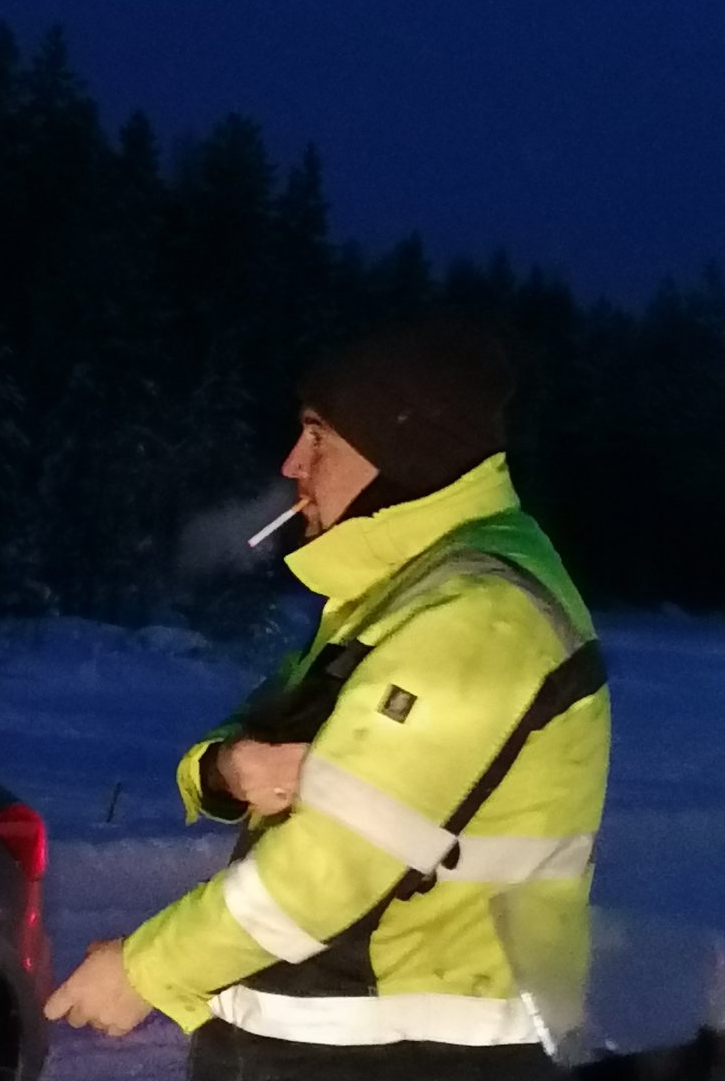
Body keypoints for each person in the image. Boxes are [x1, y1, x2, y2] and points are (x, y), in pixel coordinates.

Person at [45, 319, 612, 1080]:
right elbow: (265, 725)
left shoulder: (476, 618)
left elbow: (331, 867)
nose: (292, 464)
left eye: (318, 437)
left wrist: (142, 972)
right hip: (332, 1049)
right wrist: (228, 769)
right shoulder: (397, 596)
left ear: (399, 448)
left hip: (406, 1059)